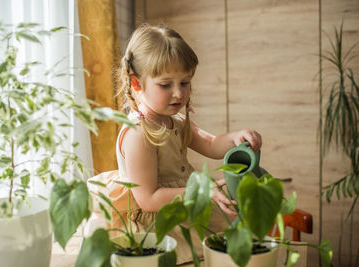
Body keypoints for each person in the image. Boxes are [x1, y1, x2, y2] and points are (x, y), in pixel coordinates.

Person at [98, 23, 262, 264]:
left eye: (184, 82)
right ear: (136, 84)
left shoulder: (176, 120)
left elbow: (211, 143)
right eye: (166, 85)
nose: (178, 93)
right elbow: (149, 198)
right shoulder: (138, 134)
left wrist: (235, 137)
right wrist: (204, 191)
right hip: (158, 223)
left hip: (186, 205)